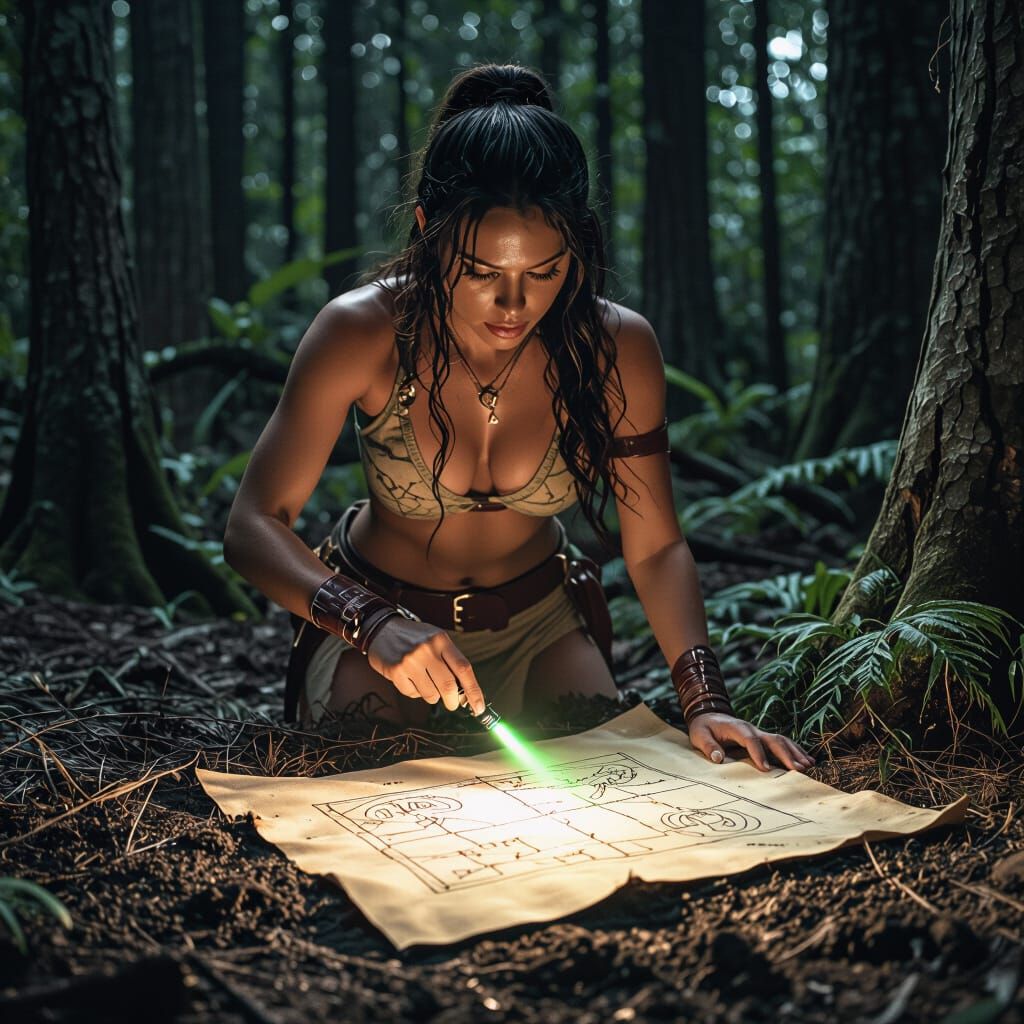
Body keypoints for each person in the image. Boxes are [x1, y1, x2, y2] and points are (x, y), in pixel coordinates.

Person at [223, 63, 814, 774]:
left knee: (613, 780)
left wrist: (704, 699)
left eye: (544, 272)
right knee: (380, 781)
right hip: (380, 629)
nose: (514, 306)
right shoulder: (363, 332)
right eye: (481, 271)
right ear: (428, 232)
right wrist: (369, 621)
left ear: (578, 247)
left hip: (542, 628)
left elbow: (655, 547)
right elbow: (253, 524)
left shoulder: (615, 348)